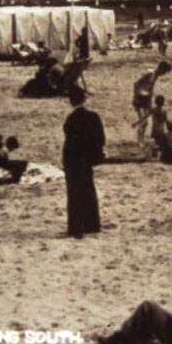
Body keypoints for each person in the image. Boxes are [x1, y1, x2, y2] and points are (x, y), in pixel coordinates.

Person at [63, 85, 105, 238]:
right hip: (86, 158)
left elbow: (69, 141)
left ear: (71, 101)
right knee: (88, 188)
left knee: (74, 192)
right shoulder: (93, 117)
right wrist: (96, 154)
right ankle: (92, 224)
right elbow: (100, 138)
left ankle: (76, 226)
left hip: (73, 159)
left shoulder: (70, 120)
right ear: (84, 99)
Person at [132, 61, 172, 145]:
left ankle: (141, 140)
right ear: (161, 68)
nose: (163, 74)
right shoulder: (149, 73)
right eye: (164, 72)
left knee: (145, 122)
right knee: (143, 121)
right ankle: (140, 141)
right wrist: (136, 96)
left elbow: (151, 88)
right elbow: (136, 83)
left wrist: (150, 99)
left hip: (147, 99)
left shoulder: (156, 76)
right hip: (140, 98)